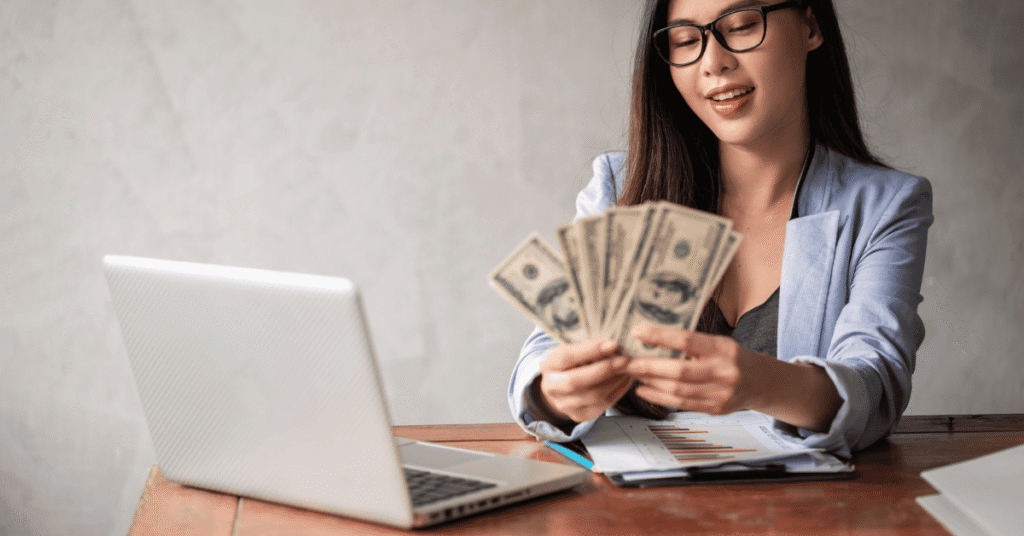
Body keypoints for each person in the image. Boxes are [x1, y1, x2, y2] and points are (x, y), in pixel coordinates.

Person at [508, 0, 932, 458]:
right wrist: (556, 396)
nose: (714, 63)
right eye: (686, 41)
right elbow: (542, 364)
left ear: (810, 26)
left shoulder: (886, 204)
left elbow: (877, 386)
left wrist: (763, 383)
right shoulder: (619, 188)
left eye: (743, 25)